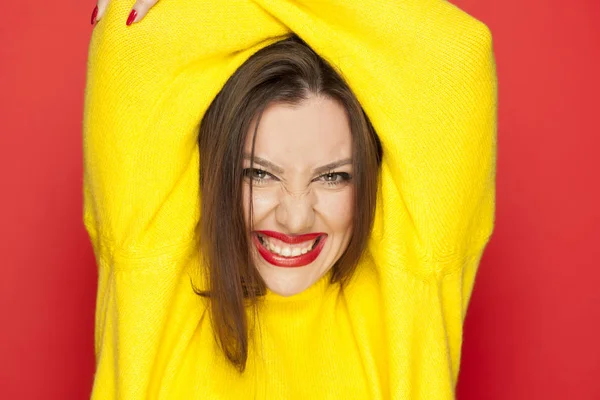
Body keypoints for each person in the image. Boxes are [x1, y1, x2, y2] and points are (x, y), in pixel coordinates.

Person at [84, 0, 497, 398]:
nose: (295, 218)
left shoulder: (409, 280)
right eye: (259, 174)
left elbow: (455, 53)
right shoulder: (151, 262)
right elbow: (133, 35)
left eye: (334, 177)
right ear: (218, 168)